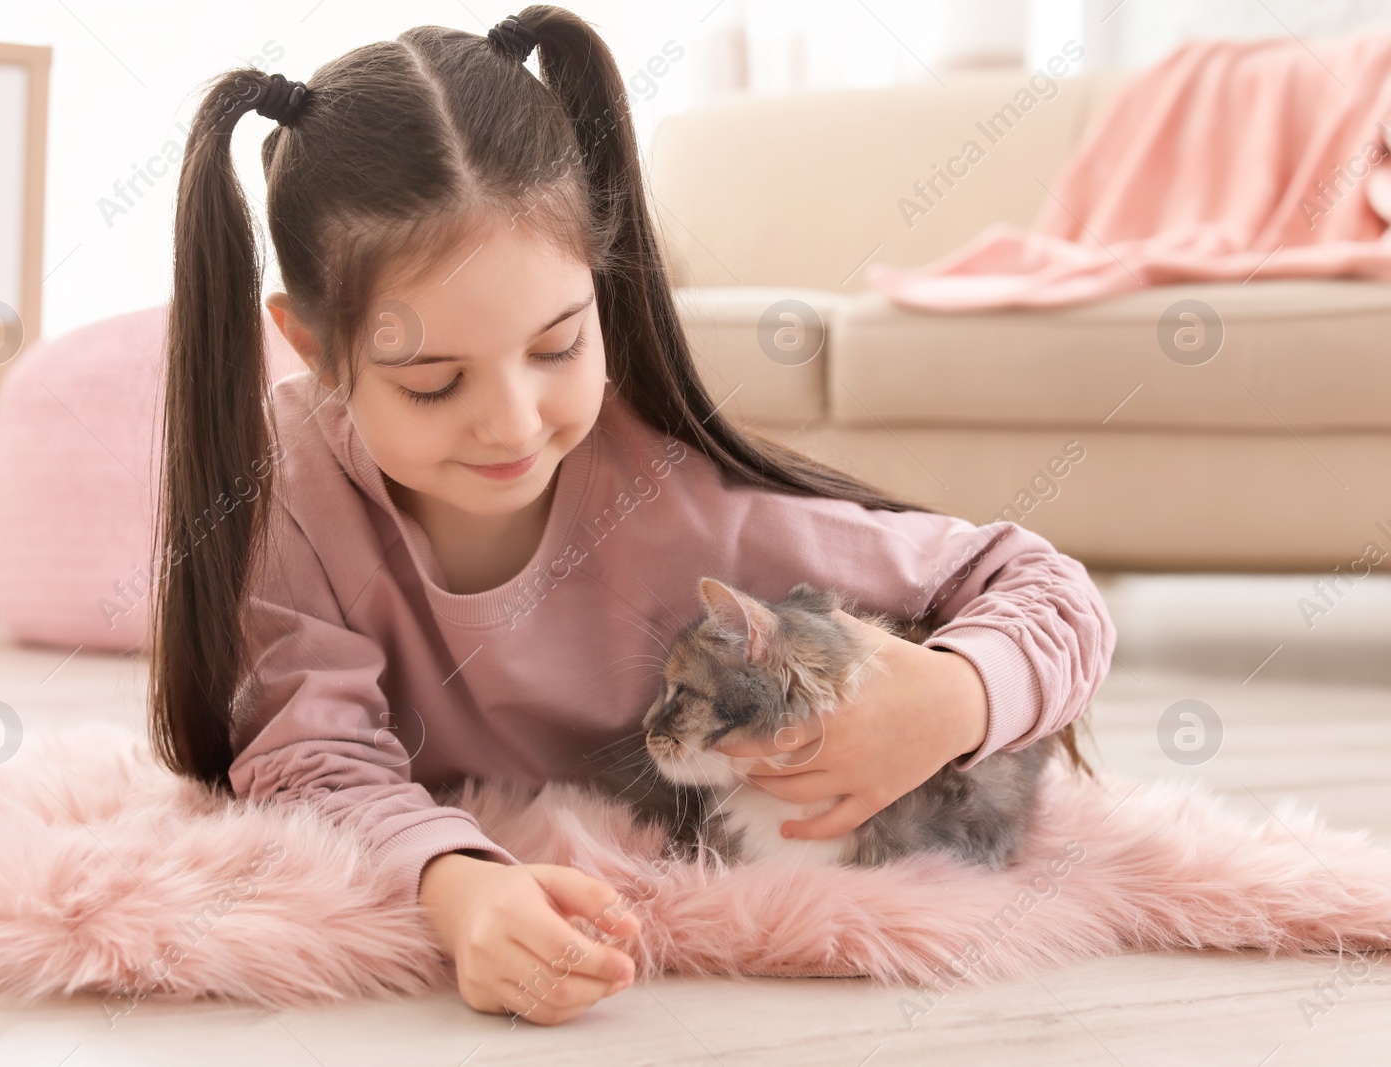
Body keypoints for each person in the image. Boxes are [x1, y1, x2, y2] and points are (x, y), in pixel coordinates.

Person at [148, 5, 1117, 1028]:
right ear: (311, 345)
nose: (511, 424)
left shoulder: (680, 505)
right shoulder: (292, 481)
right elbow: (305, 758)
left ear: (600, 291)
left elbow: (1042, 585)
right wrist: (455, 880)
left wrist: (955, 697)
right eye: (434, 383)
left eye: (558, 345)